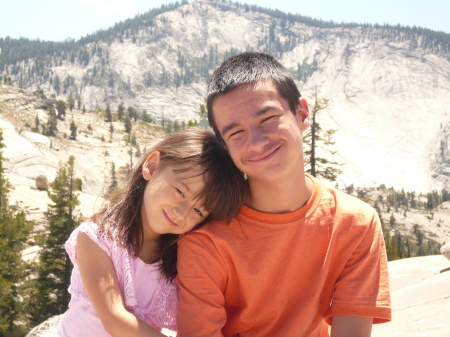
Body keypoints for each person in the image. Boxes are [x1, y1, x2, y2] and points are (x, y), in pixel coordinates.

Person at [177, 52, 391, 336]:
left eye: (267, 118)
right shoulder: (205, 240)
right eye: (235, 132)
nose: (256, 142)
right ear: (225, 147)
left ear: (301, 113)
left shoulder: (356, 223)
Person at [57, 128, 247, 337]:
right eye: (180, 191)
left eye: (198, 210)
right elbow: (113, 318)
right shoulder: (97, 238)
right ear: (152, 165)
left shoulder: (179, 258)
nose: (181, 212)